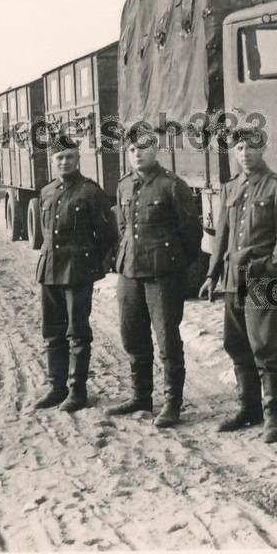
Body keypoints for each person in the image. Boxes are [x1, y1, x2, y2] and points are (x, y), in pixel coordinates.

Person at [198, 124, 277, 443]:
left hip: (262, 279)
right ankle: (249, 408)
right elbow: (222, 238)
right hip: (234, 279)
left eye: (250, 148)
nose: (244, 155)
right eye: (239, 149)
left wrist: (271, 269)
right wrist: (211, 276)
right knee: (236, 343)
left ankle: (274, 415)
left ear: (262, 150)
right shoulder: (230, 188)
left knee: (265, 347)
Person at [108, 124, 203, 428]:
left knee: (167, 340)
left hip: (163, 275)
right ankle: (140, 396)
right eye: (132, 150)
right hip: (130, 272)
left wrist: (172, 265)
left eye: (144, 149)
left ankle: (172, 403)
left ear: (155, 150)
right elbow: (122, 229)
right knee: (132, 335)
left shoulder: (173, 186)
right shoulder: (123, 186)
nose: (137, 155)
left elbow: (191, 235)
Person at [33, 134, 117, 412]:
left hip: (78, 271)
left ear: (78, 159)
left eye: (70, 157)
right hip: (50, 270)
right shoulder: (46, 192)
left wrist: (96, 267)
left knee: (77, 332)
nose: (65, 162)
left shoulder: (91, 192)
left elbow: (108, 236)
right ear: (52, 161)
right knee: (51, 332)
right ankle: (56, 388)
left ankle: (77, 391)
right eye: (60, 157)